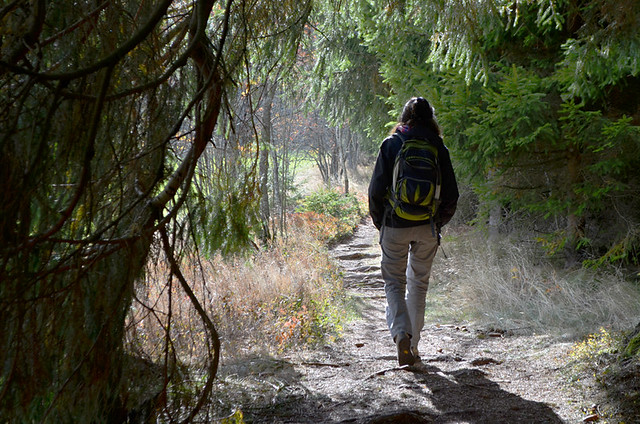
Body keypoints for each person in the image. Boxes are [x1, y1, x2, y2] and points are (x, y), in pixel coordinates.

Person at [368, 97, 459, 366]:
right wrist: (437, 223)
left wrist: (381, 223)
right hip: (427, 226)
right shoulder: (438, 147)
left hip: (394, 225)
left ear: (404, 116)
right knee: (418, 286)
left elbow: (375, 191)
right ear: (431, 118)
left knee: (394, 283)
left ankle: (400, 335)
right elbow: (452, 195)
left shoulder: (392, 144)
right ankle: (414, 348)